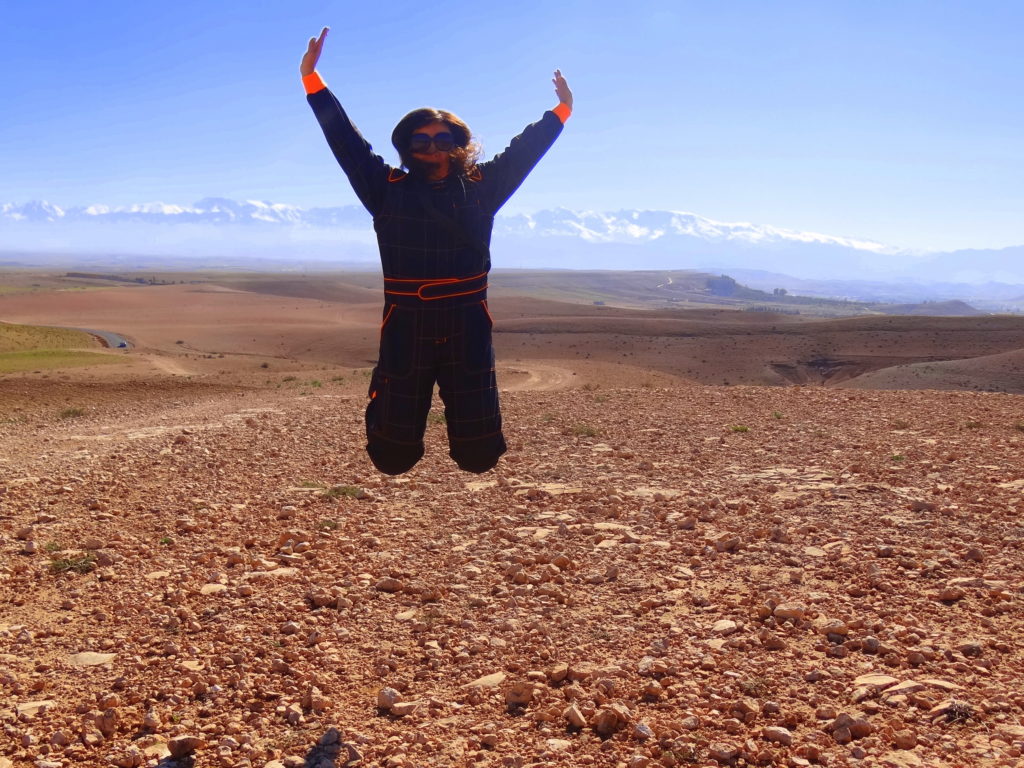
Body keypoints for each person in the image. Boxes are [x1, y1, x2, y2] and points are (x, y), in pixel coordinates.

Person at [300, 27, 573, 476]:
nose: (432, 149)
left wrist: (561, 111)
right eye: (420, 141)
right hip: (406, 322)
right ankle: (390, 433)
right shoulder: (385, 189)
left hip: (468, 320)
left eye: (443, 140)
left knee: (479, 455)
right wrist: (313, 81)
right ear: (406, 147)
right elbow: (347, 143)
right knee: (392, 456)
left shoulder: (483, 187)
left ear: (458, 145)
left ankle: (472, 444)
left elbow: (525, 152)